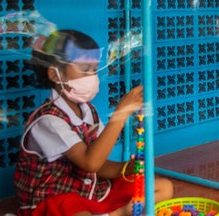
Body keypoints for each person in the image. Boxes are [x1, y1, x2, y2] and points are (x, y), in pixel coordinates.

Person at [14, 29, 173, 216]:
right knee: (72, 210)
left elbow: (101, 166)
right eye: (84, 69)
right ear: (56, 75)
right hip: (58, 197)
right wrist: (120, 115)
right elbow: (90, 164)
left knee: (163, 187)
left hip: (91, 191)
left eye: (94, 69)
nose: (92, 76)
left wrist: (125, 169)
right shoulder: (48, 121)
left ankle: (114, 212)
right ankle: (119, 213)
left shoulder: (88, 110)